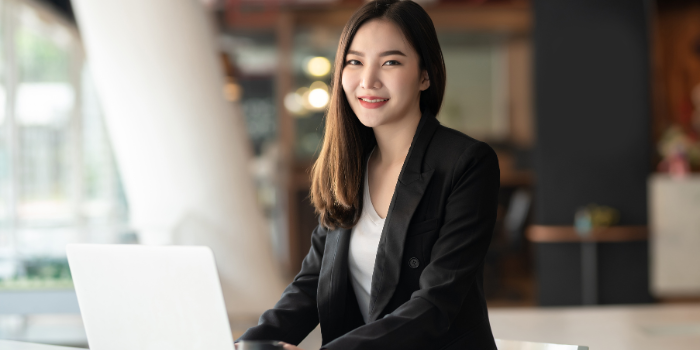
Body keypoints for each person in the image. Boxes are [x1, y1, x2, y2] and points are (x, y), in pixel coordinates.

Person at [238, 1, 500, 349]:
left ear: (426, 75)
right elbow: (312, 284)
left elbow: (435, 305)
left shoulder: (466, 163)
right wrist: (252, 343)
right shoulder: (348, 166)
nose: (368, 81)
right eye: (354, 62)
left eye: (390, 62)